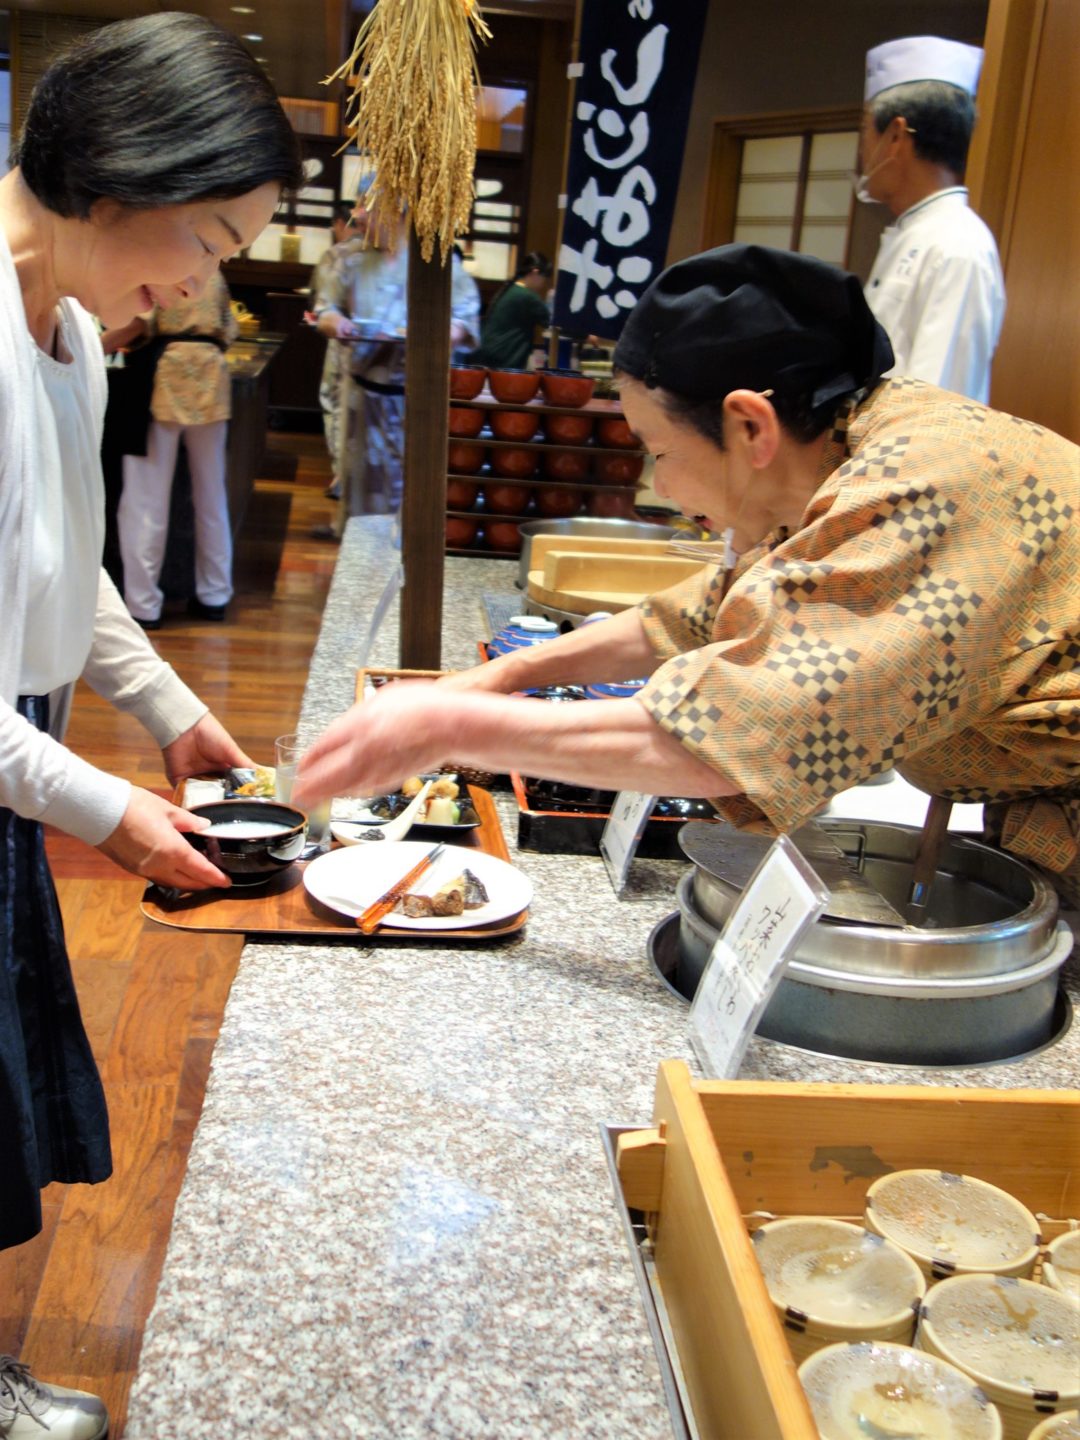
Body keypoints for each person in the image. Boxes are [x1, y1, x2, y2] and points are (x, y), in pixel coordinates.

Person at [295, 244, 1080, 910]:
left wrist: (444, 727)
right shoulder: (852, 437)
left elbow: (737, 731)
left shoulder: (931, 483)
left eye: (658, 450)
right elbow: (699, 613)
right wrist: (507, 676)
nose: (659, 485)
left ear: (750, 426)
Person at [0, 12, 301, 1434]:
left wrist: (172, 715)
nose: (199, 286)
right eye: (214, 242)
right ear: (125, 179)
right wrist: (112, 811)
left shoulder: (65, 321)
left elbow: (77, 563)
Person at [858, 35, 1005, 402]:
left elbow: (935, 407)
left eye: (864, 132)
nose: (861, 150)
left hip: (911, 456)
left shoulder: (956, 245)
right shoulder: (916, 231)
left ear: (895, 137)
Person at [313, 203, 480, 524]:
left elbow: (465, 316)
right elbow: (325, 310)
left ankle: (405, 567)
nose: (359, 216)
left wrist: (436, 333)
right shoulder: (350, 259)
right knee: (359, 501)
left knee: (414, 498)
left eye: (370, 209)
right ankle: (362, 567)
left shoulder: (435, 259)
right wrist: (338, 324)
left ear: (399, 214)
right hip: (360, 400)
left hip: (417, 400)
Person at [115, 269, 239, 628]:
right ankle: (215, 595)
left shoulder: (162, 261)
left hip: (167, 373)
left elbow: (138, 322)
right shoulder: (214, 270)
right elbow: (230, 328)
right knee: (211, 495)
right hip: (212, 376)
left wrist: (94, 345)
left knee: (146, 495)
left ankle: (143, 604)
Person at [312, 199, 361, 501]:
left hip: (345, 344)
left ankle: (342, 476)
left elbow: (323, 306)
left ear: (342, 224)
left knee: (335, 403)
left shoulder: (338, 255)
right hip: (377, 346)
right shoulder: (392, 252)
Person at [470, 251, 552, 370]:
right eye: (544, 279)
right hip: (505, 360)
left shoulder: (511, 290)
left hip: (489, 355)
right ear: (535, 272)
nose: (543, 285)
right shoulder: (527, 297)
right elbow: (553, 323)